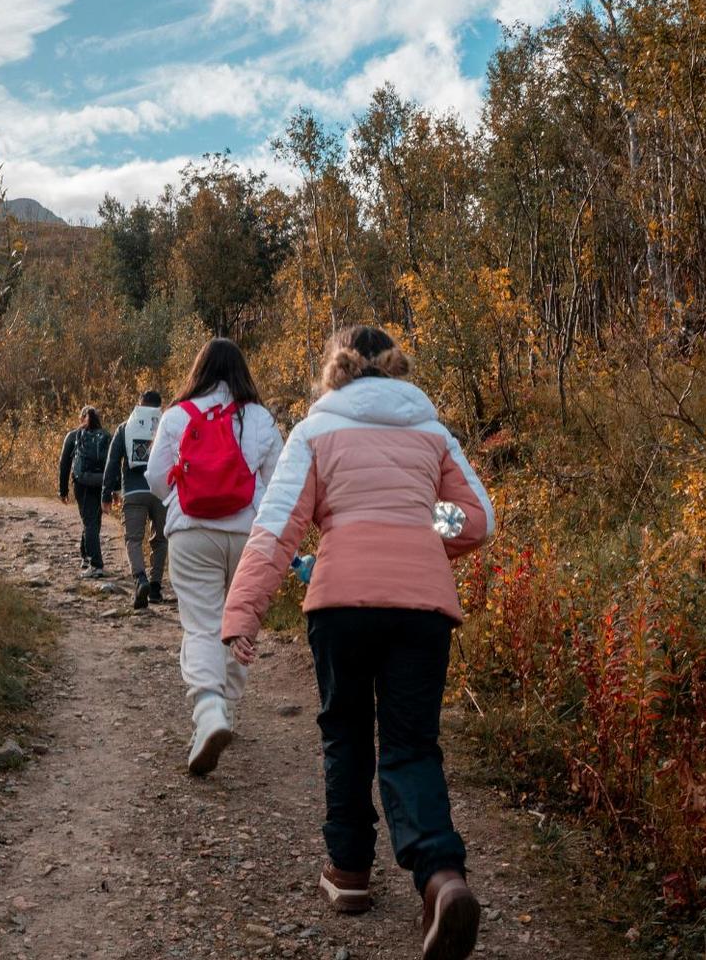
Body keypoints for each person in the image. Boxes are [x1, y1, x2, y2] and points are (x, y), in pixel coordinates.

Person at [218, 326, 494, 960]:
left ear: (335, 369)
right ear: (397, 367)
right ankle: (441, 879)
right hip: (422, 607)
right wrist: (420, 528)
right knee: (411, 744)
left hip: (341, 603)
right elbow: (478, 518)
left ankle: (348, 874)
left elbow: (278, 527)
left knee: (345, 731)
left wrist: (244, 613)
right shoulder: (432, 432)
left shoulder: (317, 431)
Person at [143, 339, 283, 776]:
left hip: (192, 534)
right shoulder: (260, 418)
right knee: (238, 623)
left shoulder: (176, 416)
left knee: (202, 624)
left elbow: (153, 477)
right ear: (242, 372)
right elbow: (279, 483)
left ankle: (209, 711)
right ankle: (228, 708)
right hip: (248, 536)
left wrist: (183, 502)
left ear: (199, 371)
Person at [101, 390, 169, 609]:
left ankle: (140, 579)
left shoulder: (125, 428)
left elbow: (112, 463)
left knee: (133, 539)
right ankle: (156, 588)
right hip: (161, 492)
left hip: (133, 492)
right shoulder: (166, 425)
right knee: (160, 539)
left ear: (139, 403)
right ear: (160, 406)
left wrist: (106, 494)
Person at [57, 406, 111, 576]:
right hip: (101, 482)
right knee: (93, 520)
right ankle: (85, 557)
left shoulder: (73, 436)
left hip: (82, 484)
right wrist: (113, 488)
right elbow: (113, 464)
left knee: (89, 522)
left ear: (81, 418)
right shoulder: (106, 436)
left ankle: (96, 565)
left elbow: (64, 464)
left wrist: (63, 490)